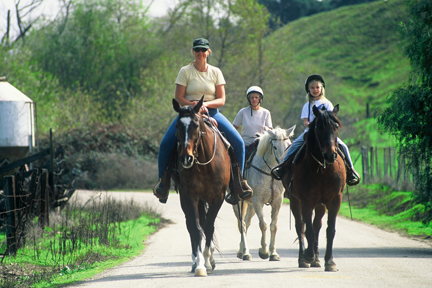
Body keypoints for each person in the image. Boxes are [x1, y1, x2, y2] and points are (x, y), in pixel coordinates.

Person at [153, 38, 253, 204]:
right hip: (187, 113)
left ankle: (238, 184)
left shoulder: (216, 72)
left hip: (212, 112)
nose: (200, 53)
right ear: (193, 52)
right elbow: (178, 97)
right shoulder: (185, 71)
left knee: (238, 142)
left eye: (203, 50)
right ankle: (162, 183)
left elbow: (221, 99)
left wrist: (204, 105)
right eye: (197, 50)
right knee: (166, 143)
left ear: (208, 52)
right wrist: (193, 105)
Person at [271, 74, 360, 186]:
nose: (315, 90)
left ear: (321, 89)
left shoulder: (327, 103)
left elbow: (331, 119)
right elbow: (305, 122)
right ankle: (283, 167)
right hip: (310, 133)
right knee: (293, 146)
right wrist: (312, 126)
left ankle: (351, 170)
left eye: (317, 87)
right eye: (312, 88)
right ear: (309, 89)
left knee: (343, 147)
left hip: (326, 134)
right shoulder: (307, 105)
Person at [232, 86, 272, 158]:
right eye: (252, 97)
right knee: (239, 159)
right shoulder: (243, 112)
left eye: (256, 97)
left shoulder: (266, 113)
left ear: (260, 99)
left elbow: (270, 131)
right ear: (249, 99)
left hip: (261, 146)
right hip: (246, 145)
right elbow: (233, 129)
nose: (254, 99)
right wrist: (238, 141)